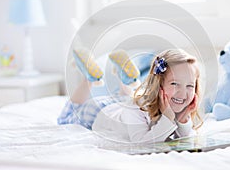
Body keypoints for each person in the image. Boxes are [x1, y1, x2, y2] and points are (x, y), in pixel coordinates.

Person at [58, 49, 202, 143]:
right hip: (99, 112)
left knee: (130, 97)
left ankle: (126, 79)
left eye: (190, 86)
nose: (183, 93)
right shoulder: (136, 108)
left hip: (125, 105)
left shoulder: (176, 105)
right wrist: (168, 118)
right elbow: (142, 143)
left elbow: (186, 139)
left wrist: (183, 119)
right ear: (158, 84)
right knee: (67, 116)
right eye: (175, 84)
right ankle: (89, 78)